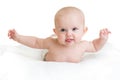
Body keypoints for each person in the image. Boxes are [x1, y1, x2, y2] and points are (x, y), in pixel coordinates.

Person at [8, 6, 111, 63]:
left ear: (84, 31)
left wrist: (102, 39)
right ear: (56, 32)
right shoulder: (51, 43)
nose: (69, 34)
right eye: (62, 30)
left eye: (74, 29)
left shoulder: (83, 45)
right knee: (43, 43)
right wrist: (18, 37)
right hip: (47, 57)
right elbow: (35, 42)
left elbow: (95, 46)